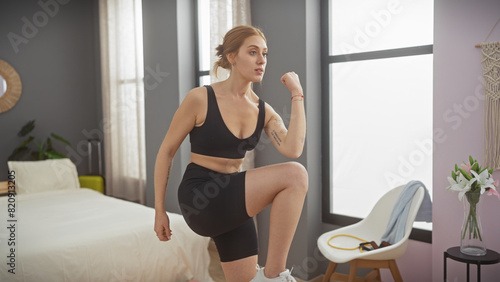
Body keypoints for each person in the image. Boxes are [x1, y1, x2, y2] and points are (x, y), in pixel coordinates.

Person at [154, 25, 308, 282]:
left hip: (231, 199)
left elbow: (293, 148)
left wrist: (297, 94)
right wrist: (160, 210)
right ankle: (276, 276)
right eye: (253, 52)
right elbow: (166, 151)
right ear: (232, 56)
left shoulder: (263, 111)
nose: (262, 60)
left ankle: (269, 277)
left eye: (265, 53)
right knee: (295, 175)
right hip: (200, 197)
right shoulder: (201, 98)